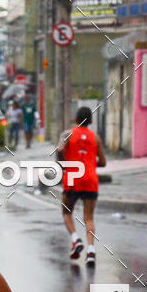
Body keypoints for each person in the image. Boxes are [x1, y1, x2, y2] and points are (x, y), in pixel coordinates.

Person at [57, 105, 106, 267]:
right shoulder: (96, 138)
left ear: (76, 120)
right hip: (91, 180)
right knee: (89, 218)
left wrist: (63, 163)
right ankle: (91, 251)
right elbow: (103, 162)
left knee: (66, 211)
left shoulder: (67, 134)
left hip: (72, 178)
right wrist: (91, 163)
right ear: (90, 121)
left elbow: (59, 150)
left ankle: (75, 240)